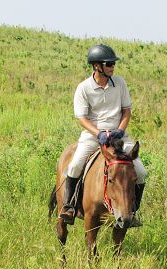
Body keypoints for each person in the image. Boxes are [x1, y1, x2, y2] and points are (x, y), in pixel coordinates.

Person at [59, 44, 147, 226]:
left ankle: (132, 210)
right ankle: (69, 206)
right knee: (75, 166)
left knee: (141, 172)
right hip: (93, 135)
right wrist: (98, 133)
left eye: (113, 64)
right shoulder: (83, 88)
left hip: (118, 135)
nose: (112, 67)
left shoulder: (120, 83)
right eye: (109, 64)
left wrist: (121, 130)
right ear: (97, 66)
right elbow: (82, 118)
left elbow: (126, 112)